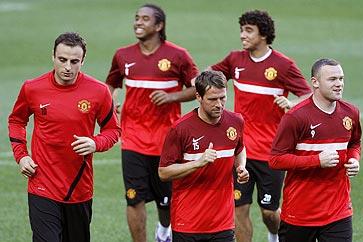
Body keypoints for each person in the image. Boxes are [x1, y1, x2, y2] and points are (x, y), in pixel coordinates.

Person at [207, 9, 312, 242]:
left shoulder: (283, 65)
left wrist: (292, 103)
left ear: (262, 34)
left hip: (270, 152)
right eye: (242, 30)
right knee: (238, 208)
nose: (242, 35)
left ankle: (274, 235)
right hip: (240, 150)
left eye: (248, 30)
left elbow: (309, 95)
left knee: (269, 212)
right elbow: (208, 75)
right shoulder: (235, 59)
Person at [8, 32, 121, 242]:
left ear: (83, 61)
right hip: (42, 184)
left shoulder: (99, 91)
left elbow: (113, 131)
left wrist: (95, 143)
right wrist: (21, 155)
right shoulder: (32, 88)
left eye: (74, 61)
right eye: (62, 60)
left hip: (79, 188)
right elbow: (16, 121)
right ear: (53, 56)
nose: (67, 67)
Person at [105, 3, 199, 242]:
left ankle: (164, 231)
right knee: (133, 198)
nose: (138, 22)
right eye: (136, 18)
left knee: (166, 202)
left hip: (166, 140)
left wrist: (172, 97)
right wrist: (109, 101)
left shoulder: (178, 56)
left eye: (145, 19)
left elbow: (198, 87)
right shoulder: (123, 55)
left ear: (159, 26)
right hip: (132, 139)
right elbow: (111, 84)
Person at [269, 58, 362, 242]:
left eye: (341, 79)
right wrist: (316, 160)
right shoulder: (295, 117)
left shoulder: (350, 113)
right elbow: (276, 159)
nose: (339, 84)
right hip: (300, 214)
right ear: (315, 82)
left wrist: (354, 159)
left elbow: (354, 143)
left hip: (338, 213)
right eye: (332, 79)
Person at [158, 70, 249, 242]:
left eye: (223, 98)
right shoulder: (180, 129)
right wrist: (197, 163)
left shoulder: (236, 122)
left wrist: (241, 166)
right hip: (188, 222)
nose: (219, 105)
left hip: (223, 223)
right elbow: (163, 172)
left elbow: (239, 148)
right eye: (212, 99)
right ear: (198, 97)